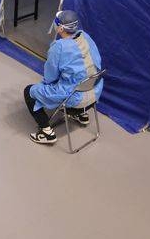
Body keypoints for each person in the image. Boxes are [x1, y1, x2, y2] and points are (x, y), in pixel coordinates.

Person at [24, 10, 103, 145]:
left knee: (29, 91)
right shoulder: (85, 36)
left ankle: (46, 132)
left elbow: (50, 77)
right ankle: (81, 114)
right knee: (81, 80)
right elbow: (95, 63)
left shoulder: (59, 47)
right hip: (94, 95)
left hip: (74, 101)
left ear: (60, 28)